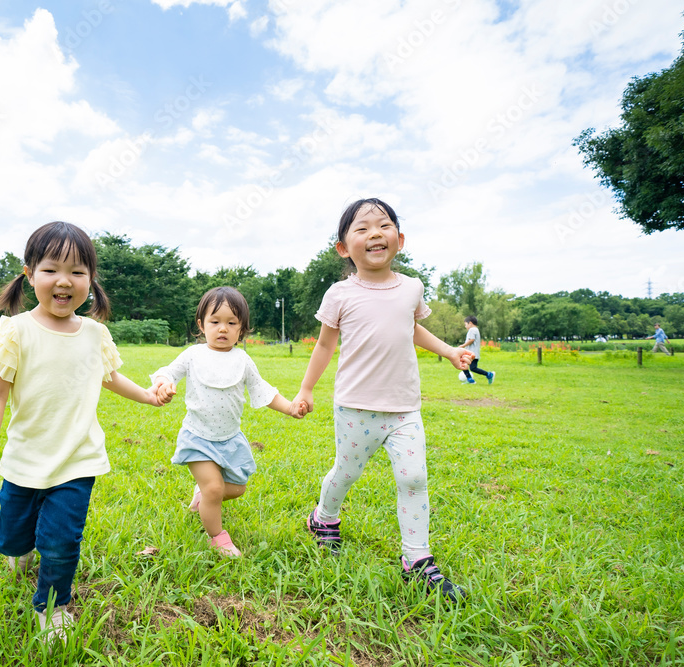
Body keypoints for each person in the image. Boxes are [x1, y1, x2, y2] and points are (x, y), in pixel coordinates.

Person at [0, 221, 170, 644]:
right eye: (51, 270)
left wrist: (149, 396)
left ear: (91, 280)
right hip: (24, 459)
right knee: (13, 537)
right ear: (29, 274)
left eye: (78, 272)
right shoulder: (16, 331)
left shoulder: (95, 333)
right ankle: (20, 552)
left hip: (78, 459)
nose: (65, 281)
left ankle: (54, 605)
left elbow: (111, 377)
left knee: (61, 541)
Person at [292, 197, 473, 603]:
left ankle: (417, 560)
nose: (375, 233)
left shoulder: (412, 287)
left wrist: (447, 351)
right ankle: (324, 518)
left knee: (413, 478)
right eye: (362, 228)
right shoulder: (340, 294)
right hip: (356, 406)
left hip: (405, 407)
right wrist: (306, 389)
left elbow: (412, 329)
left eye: (384, 225)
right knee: (346, 472)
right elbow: (324, 346)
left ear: (400, 239)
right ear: (343, 248)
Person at [151, 286, 306, 557]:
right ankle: (217, 537)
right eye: (215, 321)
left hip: (230, 439)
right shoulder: (193, 355)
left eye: (231, 323)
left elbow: (264, 391)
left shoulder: (243, 360)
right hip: (197, 437)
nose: (222, 329)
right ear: (201, 325)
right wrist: (164, 384)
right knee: (214, 487)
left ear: (241, 329)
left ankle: (202, 498)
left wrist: (290, 407)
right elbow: (168, 372)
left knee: (236, 489)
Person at [460, 316, 494, 385]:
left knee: (464, 364)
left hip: (471, 353)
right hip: (474, 353)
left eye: (465, 324)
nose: (465, 326)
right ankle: (486, 375)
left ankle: (472, 379)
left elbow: (471, 340)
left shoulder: (472, 330)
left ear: (470, 323)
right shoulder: (476, 330)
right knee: (471, 367)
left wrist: (463, 345)